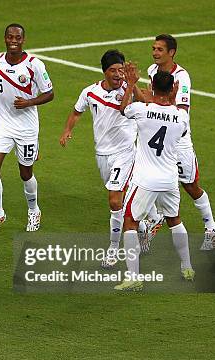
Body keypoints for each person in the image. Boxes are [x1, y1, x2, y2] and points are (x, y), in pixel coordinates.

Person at [137, 34, 215, 251]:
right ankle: (154, 220)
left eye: (159, 49)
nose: (155, 52)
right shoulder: (152, 71)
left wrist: (149, 101)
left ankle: (211, 227)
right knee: (150, 178)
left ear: (171, 52)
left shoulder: (182, 77)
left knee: (190, 186)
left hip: (179, 141)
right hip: (158, 138)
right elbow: (154, 97)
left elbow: (180, 110)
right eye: (153, 48)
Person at [115, 67, 194, 292]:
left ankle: (134, 277)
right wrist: (171, 98)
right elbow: (176, 127)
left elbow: (123, 110)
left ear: (151, 87)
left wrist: (130, 84)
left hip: (145, 180)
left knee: (129, 221)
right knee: (175, 220)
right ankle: (187, 267)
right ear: (174, 89)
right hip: (169, 179)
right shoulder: (182, 116)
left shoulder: (142, 109)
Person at [60, 50, 136, 268]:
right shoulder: (90, 92)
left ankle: (113, 248)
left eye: (121, 70)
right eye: (113, 70)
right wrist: (67, 130)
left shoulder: (128, 90)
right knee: (122, 198)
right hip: (102, 154)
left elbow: (136, 105)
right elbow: (76, 112)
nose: (118, 74)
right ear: (104, 72)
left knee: (114, 200)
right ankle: (147, 222)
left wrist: (131, 84)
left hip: (125, 152)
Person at [0, 23, 54, 235]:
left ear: (24, 40)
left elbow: (50, 93)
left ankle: (34, 210)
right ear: (4, 38)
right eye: (10, 37)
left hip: (26, 128)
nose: (14, 41)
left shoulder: (34, 65)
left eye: (18, 38)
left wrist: (30, 102)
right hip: (2, 124)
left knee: (25, 173)